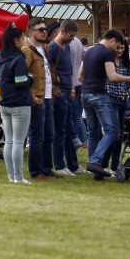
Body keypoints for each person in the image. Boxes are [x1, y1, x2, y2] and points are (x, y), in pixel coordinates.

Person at [79, 29, 130, 177]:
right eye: (117, 45)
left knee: (93, 134)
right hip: (99, 95)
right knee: (112, 132)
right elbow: (112, 77)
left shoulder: (88, 51)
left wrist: (89, 86)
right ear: (112, 40)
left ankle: (95, 171)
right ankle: (95, 162)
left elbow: (80, 76)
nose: (117, 50)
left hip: (85, 95)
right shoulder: (106, 52)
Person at [0, 23, 33, 183]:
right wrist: (30, 78)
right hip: (20, 103)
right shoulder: (19, 58)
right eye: (23, 37)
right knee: (18, 141)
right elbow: (21, 82)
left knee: (9, 141)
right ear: (16, 40)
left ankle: (11, 176)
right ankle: (19, 176)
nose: (24, 40)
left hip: (4, 103)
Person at [21, 18, 60, 181]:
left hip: (48, 96)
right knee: (37, 136)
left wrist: (56, 88)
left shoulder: (44, 48)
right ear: (31, 32)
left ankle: (46, 168)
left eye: (45, 29)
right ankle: (36, 171)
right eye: (41, 29)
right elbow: (21, 76)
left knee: (49, 134)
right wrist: (30, 97)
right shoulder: (27, 50)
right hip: (37, 98)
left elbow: (49, 72)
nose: (45, 31)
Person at [48, 19, 86, 176]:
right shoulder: (52, 48)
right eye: (71, 35)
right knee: (60, 131)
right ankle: (59, 164)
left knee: (71, 130)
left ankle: (73, 165)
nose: (73, 38)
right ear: (61, 31)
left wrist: (72, 89)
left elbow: (70, 70)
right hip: (58, 94)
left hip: (68, 93)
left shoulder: (68, 47)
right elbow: (48, 71)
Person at [102, 40, 130, 176]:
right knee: (113, 135)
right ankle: (103, 164)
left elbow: (127, 86)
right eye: (118, 48)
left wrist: (128, 89)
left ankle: (114, 167)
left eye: (122, 48)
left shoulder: (126, 63)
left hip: (123, 101)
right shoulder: (108, 61)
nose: (120, 50)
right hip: (111, 100)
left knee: (120, 136)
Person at [69, 34, 87, 151]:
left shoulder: (67, 44)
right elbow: (83, 57)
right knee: (78, 116)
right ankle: (84, 141)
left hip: (72, 83)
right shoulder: (78, 42)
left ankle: (79, 140)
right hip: (79, 82)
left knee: (74, 116)